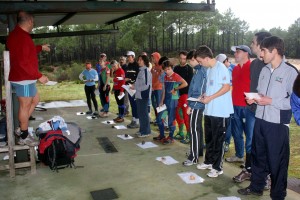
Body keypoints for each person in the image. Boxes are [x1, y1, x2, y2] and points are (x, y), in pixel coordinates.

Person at [238, 36, 298, 199]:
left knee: (277, 162)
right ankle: (257, 187)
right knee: (258, 157)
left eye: (263, 51)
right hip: (260, 120)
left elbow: (295, 101)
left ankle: (278, 194)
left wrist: (271, 101)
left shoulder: (290, 72)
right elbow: (262, 93)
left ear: (274, 51)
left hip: (277, 125)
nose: (261, 54)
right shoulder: (264, 70)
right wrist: (255, 98)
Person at [232, 32, 272, 184]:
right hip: (251, 109)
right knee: (250, 142)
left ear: (262, 44)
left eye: (253, 42)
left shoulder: (271, 64)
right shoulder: (255, 64)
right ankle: (249, 169)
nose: (251, 44)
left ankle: (266, 175)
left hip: (267, 112)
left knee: (263, 143)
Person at [7, 11, 49, 146]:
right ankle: (24, 135)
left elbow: (26, 51)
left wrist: (40, 47)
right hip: (24, 78)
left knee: (35, 99)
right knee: (25, 106)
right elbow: (22, 62)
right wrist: (39, 76)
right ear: (30, 21)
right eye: (33, 22)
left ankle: (21, 127)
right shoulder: (22, 38)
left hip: (24, 77)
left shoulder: (17, 35)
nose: (33, 25)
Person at [194, 45, 233, 178]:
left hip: (220, 111)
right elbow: (212, 88)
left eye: (200, 61)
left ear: (206, 58)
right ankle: (209, 161)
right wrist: (205, 95)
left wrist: (210, 97)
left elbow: (226, 87)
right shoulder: (209, 69)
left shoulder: (221, 68)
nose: (200, 63)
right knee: (209, 138)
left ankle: (217, 167)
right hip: (209, 110)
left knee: (218, 140)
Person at [225, 45, 253, 164]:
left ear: (246, 53)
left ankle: (250, 163)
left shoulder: (252, 67)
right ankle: (239, 155)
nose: (235, 54)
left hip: (248, 107)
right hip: (235, 105)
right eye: (235, 52)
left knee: (250, 136)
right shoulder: (235, 69)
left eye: (238, 52)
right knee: (236, 133)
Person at [153, 57, 187, 145]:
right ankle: (162, 135)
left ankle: (171, 137)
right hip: (165, 101)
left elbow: (185, 83)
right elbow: (164, 90)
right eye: (166, 70)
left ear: (172, 68)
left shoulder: (176, 76)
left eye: (169, 69)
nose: (167, 71)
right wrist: (161, 101)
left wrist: (176, 88)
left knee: (171, 120)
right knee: (160, 118)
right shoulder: (165, 77)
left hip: (173, 101)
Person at [182, 50, 206, 166]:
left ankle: (194, 156)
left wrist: (191, 106)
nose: (190, 62)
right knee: (197, 129)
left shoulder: (202, 72)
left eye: (192, 60)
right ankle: (198, 151)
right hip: (195, 104)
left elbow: (200, 92)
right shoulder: (197, 71)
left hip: (197, 105)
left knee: (194, 130)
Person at [215, 53, 235, 152]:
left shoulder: (231, 70)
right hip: (220, 102)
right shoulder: (218, 70)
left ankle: (226, 142)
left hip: (228, 102)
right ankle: (219, 141)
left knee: (228, 124)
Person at [173, 51, 194, 143]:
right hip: (177, 95)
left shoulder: (189, 69)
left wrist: (177, 87)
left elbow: (187, 84)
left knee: (186, 115)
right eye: (180, 58)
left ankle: (189, 135)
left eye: (184, 59)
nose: (182, 60)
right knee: (178, 114)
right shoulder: (176, 68)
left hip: (186, 95)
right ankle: (181, 132)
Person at [132, 55, 152, 137]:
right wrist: (133, 85)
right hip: (139, 95)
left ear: (145, 61)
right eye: (138, 60)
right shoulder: (141, 71)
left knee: (144, 114)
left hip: (144, 95)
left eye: (140, 60)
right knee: (140, 113)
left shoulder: (146, 71)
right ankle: (142, 129)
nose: (138, 61)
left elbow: (146, 86)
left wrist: (135, 87)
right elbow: (140, 83)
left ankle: (146, 132)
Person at [125, 51, 140, 128]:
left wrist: (129, 79)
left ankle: (137, 121)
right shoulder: (128, 65)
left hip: (134, 88)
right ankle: (133, 119)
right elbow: (127, 74)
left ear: (133, 57)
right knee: (132, 104)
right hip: (129, 87)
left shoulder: (137, 65)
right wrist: (125, 79)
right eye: (127, 57)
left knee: (135, 105)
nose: (128, 58)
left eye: (129, 56)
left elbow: (138, 77)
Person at [150, 52, 163, 124]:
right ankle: (157, 118)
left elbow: (161, 79)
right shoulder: (153, 67)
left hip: (158, 89)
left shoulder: (161, 67)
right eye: (152, 58)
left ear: (158, 58)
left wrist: (154, 86)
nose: (152, 59)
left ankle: (160, 119)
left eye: (154, 58)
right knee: (154, 104)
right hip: (152, 89)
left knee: (159, 104)